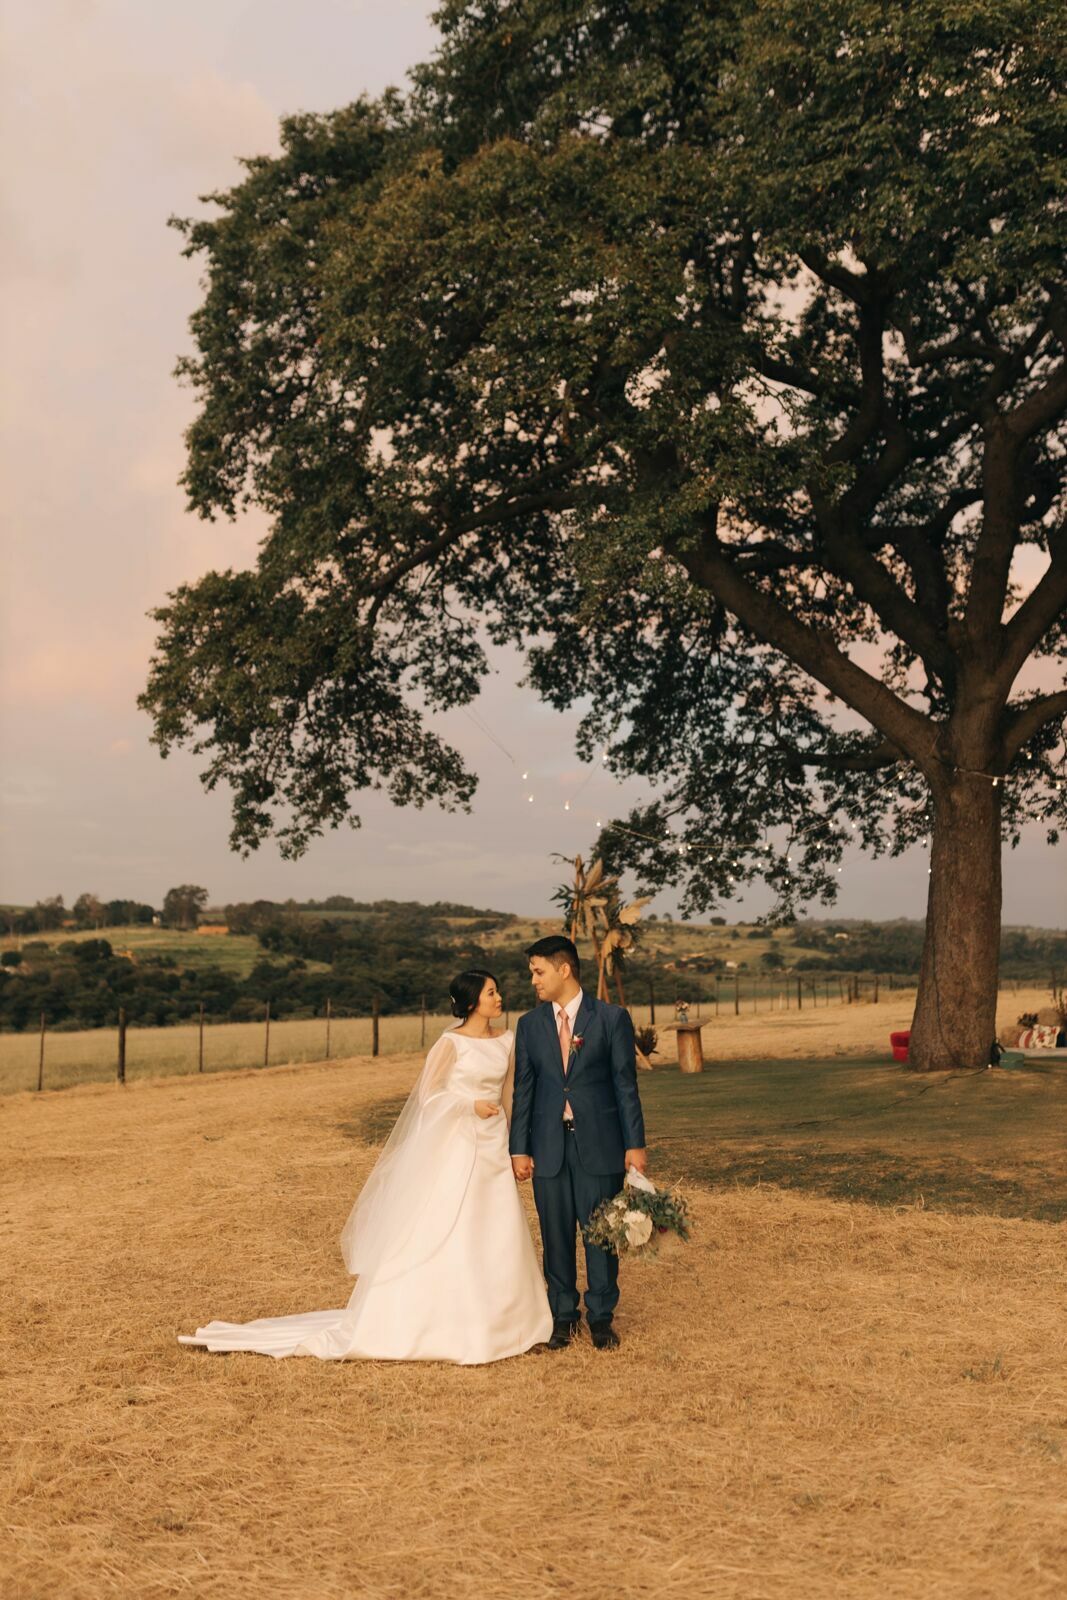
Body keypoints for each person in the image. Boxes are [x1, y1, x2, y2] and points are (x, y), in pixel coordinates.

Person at [178, 971, 552, 1364]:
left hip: (492, 1141)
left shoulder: (507, 1040)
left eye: (496, 991)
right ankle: (443, 1319)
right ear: (473, 1001)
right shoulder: (450, 1043)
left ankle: (510, 1319)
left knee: (496, 1224)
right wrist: (467, 1105)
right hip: (459, 1142)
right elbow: (428, 1095)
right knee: (452, 1220)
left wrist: (516, 1143)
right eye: (491, 992)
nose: (499, 997)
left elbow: (510, 1091)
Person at [510, 936, 648, 1351]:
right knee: (555, 1235)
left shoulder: (610, 1018)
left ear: (563, 969)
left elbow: (626, 1086)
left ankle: (602, 1317)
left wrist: (635, 1144)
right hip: (548, 1146)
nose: (533, 980)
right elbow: (524, 1090)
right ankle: (563, 1317)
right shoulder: (530, 1025)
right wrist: (519, 1147)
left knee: (601, 1234)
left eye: (538, 971)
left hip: (601, 1145)